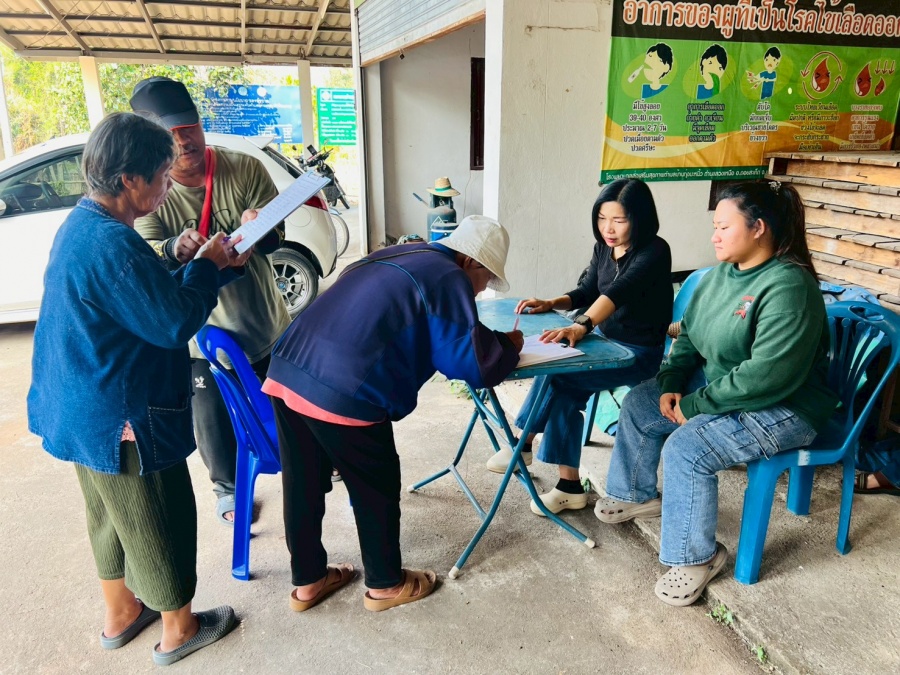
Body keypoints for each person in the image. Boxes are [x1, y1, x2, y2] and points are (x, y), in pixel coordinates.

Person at [27, 112, 246, 665]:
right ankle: (179, 629)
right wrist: (206, 267)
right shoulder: (113, 244)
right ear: (129, 179)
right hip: (117, 413)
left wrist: (197, 261)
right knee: (157, 514)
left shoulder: (85, 225)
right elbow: (172, 323)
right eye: (162, 176)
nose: (169, 185)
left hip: (78, 407)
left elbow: (140, 298)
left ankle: (122, 612)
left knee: (109, 514)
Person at [595, 181, 839, 606]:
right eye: (715, 227)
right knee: (640, 403)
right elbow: (690, 336)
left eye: (724, 227)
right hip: (727, 387)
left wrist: (696, 405)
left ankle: (697, 558)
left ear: (758, 228)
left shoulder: (788, 287)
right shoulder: (719, 275)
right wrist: (672, 382)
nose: (715, 236)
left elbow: (766, 376)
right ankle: (636, 494)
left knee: (688, 448)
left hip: (787, 407)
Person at [262, 216, 523, 612]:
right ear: (471, 261)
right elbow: (470, 363)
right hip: (345, 388)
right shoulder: (450, 276)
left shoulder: (398, 252)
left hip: (289, 368)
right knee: (375, 485)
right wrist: (510, 345)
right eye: (486, 278)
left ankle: (308, 582)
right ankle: (385, 585)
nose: (483, 288)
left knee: (303, 481)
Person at [130, 77, 292, 525]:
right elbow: (149, 253)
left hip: (265, 321)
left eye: (191, 129)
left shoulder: (244, 168)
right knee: (213, 420)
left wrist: (261, 226)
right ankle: (227, 487)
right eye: (172, 134)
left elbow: (277, 238)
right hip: (203, 334)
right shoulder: (153, 188)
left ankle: (309, 460)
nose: (185, 142)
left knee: (290, 406)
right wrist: (175, 248)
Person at [487, 179, 672, 518]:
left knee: (563, 382)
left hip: (637, 352)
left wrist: (581, 325)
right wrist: (551, 302)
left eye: (619, 220)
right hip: (605, 341)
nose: (608, 229)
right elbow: (588, 289)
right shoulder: (604, 247)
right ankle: (532, 451)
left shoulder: (655, 251)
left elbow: (618, 292)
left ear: (640, 218)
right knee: (555, 368)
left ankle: (557, 475)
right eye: (602, 218)